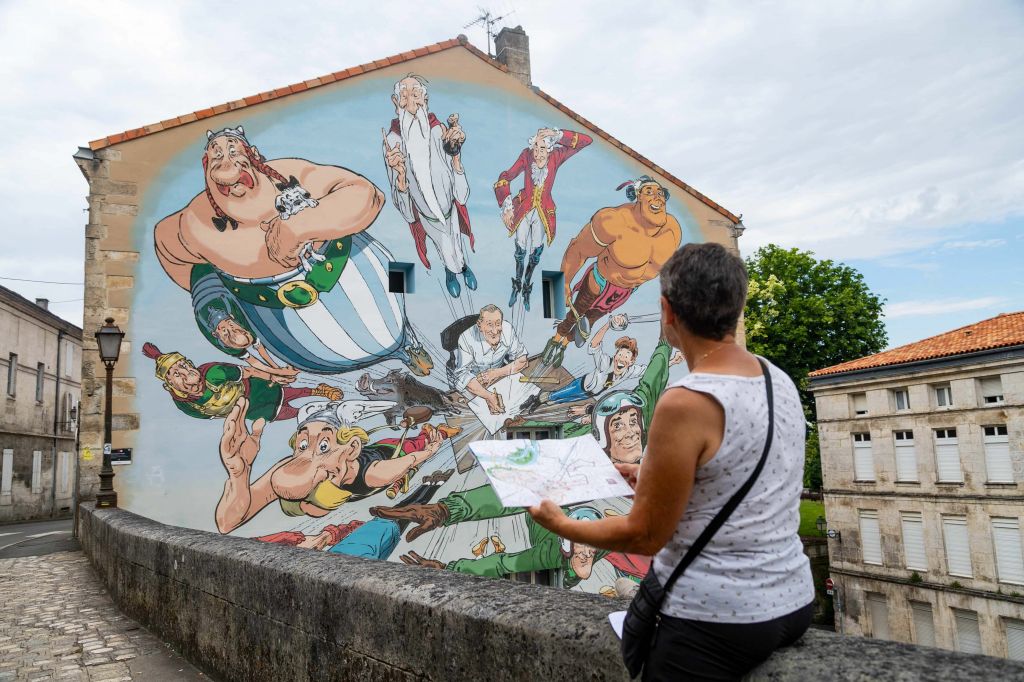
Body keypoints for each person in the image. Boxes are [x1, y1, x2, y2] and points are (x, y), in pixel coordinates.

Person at [527, 243, 814, 680]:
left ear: (667, 310)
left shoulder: (687, 401)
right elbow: (739, 474)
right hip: (793, 599)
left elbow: (644, 535)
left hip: (719, 618)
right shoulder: (778, 380)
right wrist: (648, 475)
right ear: (738, 306)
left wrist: (562, 525)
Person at [540, 176, 681, 368]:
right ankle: (555, 340)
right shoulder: (614, 220)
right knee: (576, 313)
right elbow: (577, 248)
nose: (657, 198)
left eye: (660, 193)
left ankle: (563, 344)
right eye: (649, 192)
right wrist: (563, 285)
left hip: (627, 290)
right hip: (601, 280)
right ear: (637, 196)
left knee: (590, 321)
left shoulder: (673, 230)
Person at [383, 75, 477, 297]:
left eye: (415, 95)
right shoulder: (393, 142)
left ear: (425, 100)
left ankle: (462, 266)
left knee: (456, 242)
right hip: (427, 216)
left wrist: (456, 152)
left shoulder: (437, 129)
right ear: (396, 103)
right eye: (404, 97)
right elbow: (404, 208)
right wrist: (401, 175)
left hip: (449, 208)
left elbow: (460, 190)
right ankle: (451, 271)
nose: (411, 104)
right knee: (442, 245)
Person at [494, 126, 592, 310]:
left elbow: (587, 141)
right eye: (536, 148)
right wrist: (506, 206)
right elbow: (506, 176)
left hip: (543, 212)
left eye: (542, 149)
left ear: (550, 149)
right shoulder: (526, 155)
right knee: (520, 249)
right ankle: (517, 284)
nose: (538, 154)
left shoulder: (557, 156)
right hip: (523, 208)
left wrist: (559, 134)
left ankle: (527, 288)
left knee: (535, 253)